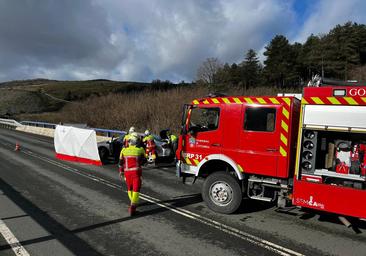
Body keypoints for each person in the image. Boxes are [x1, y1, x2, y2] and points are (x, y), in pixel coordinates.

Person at [118, 134, 146, 216]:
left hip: (127, 173)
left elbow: (120, 163)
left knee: (129, 188)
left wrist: (121, 171)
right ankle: (132, 207)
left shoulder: (123, 150)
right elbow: (145, 161)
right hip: (136, 172)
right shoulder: (140, 150)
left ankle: (132, 202)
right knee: (136, 189)